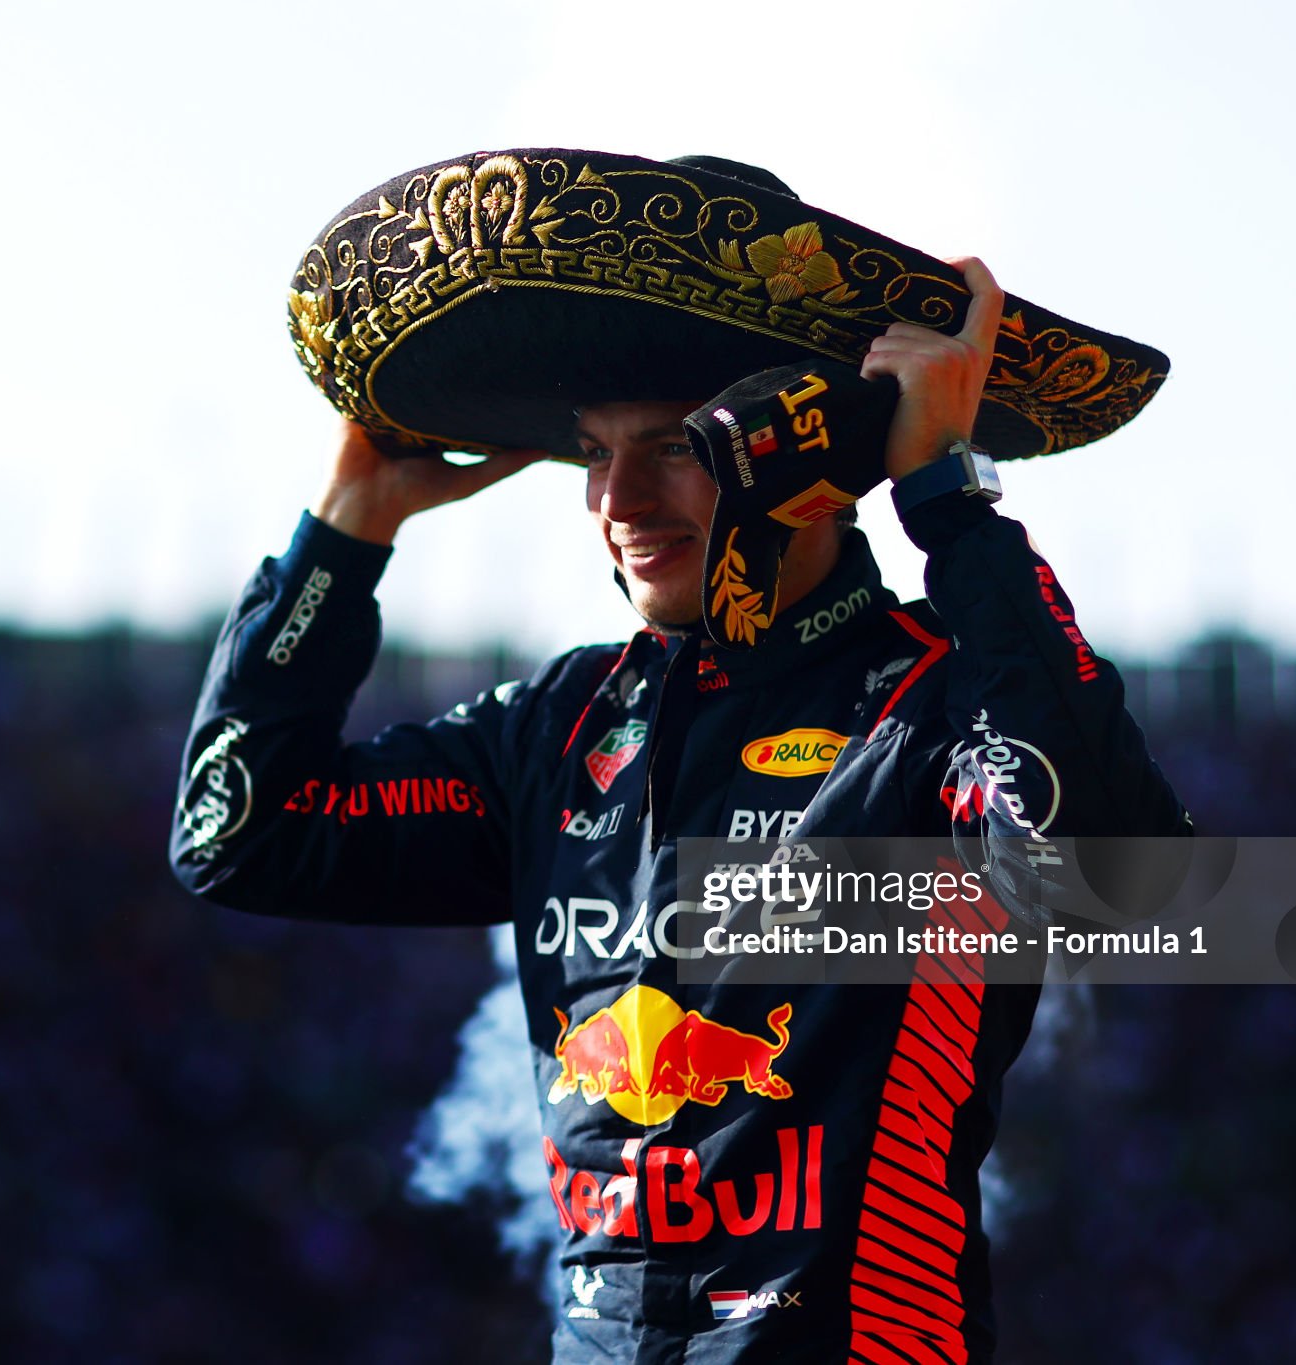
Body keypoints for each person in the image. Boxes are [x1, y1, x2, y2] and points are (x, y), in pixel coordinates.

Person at [173, 152, 1190, 1363]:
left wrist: (951, 502)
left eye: (668, 447)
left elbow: (1118, 875)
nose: (617, 499)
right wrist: (345, 536)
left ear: (807, 455)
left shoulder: (942, 701)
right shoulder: (556, 723)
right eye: (595, 453)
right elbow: (240, 836)